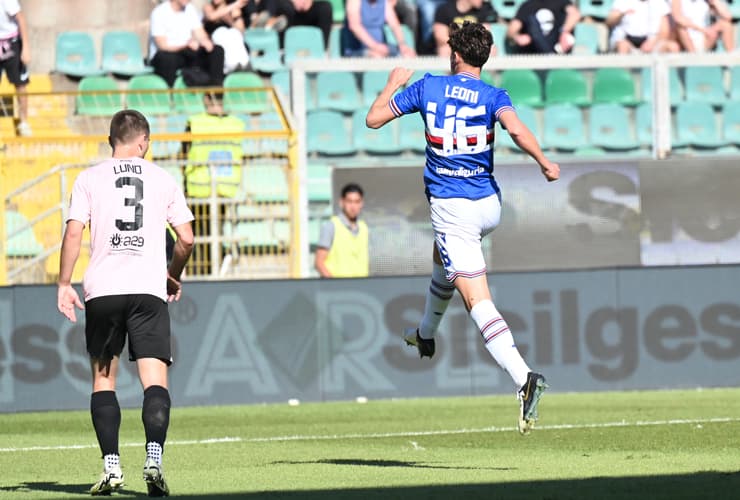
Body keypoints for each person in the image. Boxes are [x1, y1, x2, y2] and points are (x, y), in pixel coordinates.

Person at [366, 21, 559, 434]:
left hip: (453, 208)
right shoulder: (494, 95)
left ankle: (524, 378)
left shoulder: (428, 86)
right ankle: (425, 334)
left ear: (454, 54)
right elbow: (517, 130)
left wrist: (392, 84)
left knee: (476, 298)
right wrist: (544, 163)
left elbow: (374, 119)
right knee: (442, 256)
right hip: (488, 203)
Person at [56, 110, 194, 496]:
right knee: (155, 380)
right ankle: (153, 458)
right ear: (143, 140)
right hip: (148, 290)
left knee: (104, 380)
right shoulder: (163, 179)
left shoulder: (88, 178)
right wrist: (173, 274)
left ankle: (111, 467)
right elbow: (187, 239)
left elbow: (72, 234)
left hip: (103, 290)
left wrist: (64, 283)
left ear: (111, 140)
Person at [182, 91, 244, 276]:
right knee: (216, 231)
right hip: (226, 187)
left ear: (206, 99)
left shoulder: (195, 123)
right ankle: (217, 266)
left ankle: (201, 273)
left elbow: (184, 152)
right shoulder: (236, 124)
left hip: (199, 187)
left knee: (198, 236)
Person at [148, 0, 225, 87]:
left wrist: (206, 42)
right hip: (166, 53)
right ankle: (171, 94)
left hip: (186, 52)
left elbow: (200, 33)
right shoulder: (159, 13)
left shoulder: (190, 9)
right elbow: (162, 45)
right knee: (168, 59)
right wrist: (185, 45)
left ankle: (215, 92)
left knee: (217, 51)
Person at [314, 183, 369, 278]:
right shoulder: (331, 226)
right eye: (349, 201)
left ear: (361, 204)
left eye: (357, 202)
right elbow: (319, 263)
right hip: (336, 290)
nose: (353, 206)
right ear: (341, 202)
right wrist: (334, 284)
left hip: (360, 289)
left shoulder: (364, 228)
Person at [341, 0, 417, 57]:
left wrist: (402, 45)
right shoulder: (354, 1)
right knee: (376, 56)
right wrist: (375, 46)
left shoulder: (383, 2)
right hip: (357, 51)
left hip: (381, 48)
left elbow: (394, 25)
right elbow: (355, 26)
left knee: (409, 55)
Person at [0, 0, 30, 136]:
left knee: (20, 84)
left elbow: (21, 18)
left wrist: (26, 48)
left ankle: (24, 122)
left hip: (11, 43)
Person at [506, 0, 580, 54]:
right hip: (534, 52)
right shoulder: (527, 5)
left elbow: (574, 14)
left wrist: (564, 31)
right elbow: (512, 30)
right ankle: (550, 55)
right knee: (532, 23)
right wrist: (518, 37)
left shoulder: (561, 2)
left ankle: (550, 55)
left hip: (555, 44)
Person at [605, 0, 679, 53]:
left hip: (651, 41)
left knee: (673, 47)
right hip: (626, 40)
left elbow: (664, 31)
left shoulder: (659, 3)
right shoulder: (621, 2)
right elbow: (609, 21)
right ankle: (622, 74)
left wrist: (652, 42)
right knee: (622, 46)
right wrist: (621, 14)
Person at [432, 0, 497, 56]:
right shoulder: (444, 10)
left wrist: (469, 45)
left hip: (474, 46)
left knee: (490, 49)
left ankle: (485, 71)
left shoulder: (484, 9)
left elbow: (485, 35)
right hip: (454, 46)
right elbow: (440, 37)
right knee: (444, 49)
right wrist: (461, 45)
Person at [202, 0, 251, 73]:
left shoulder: (233, 8)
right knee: (223, 33)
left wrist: (230, 18)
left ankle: (245, 64)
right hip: (216, 35)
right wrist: (234, 6)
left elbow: (241, 31)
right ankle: (232, 67)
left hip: (231, 34)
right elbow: (211, 16)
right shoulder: (208, 6)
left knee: (234, 34)